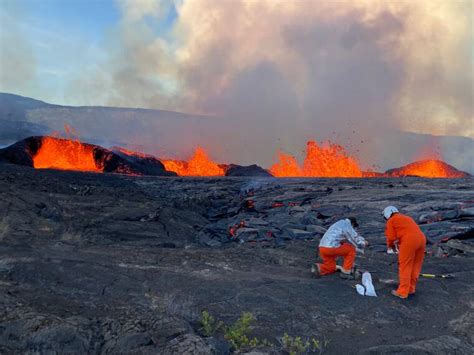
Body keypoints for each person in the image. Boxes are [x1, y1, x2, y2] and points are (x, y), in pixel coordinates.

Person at [383, 206, 426, 299]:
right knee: (416, 265)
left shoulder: (391, 220)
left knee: (405, 266)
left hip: (409, 241)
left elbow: (391, 237)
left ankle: (402, 291)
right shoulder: (407, 217)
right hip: (422, 239)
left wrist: (390, 246)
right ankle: (411, 288)